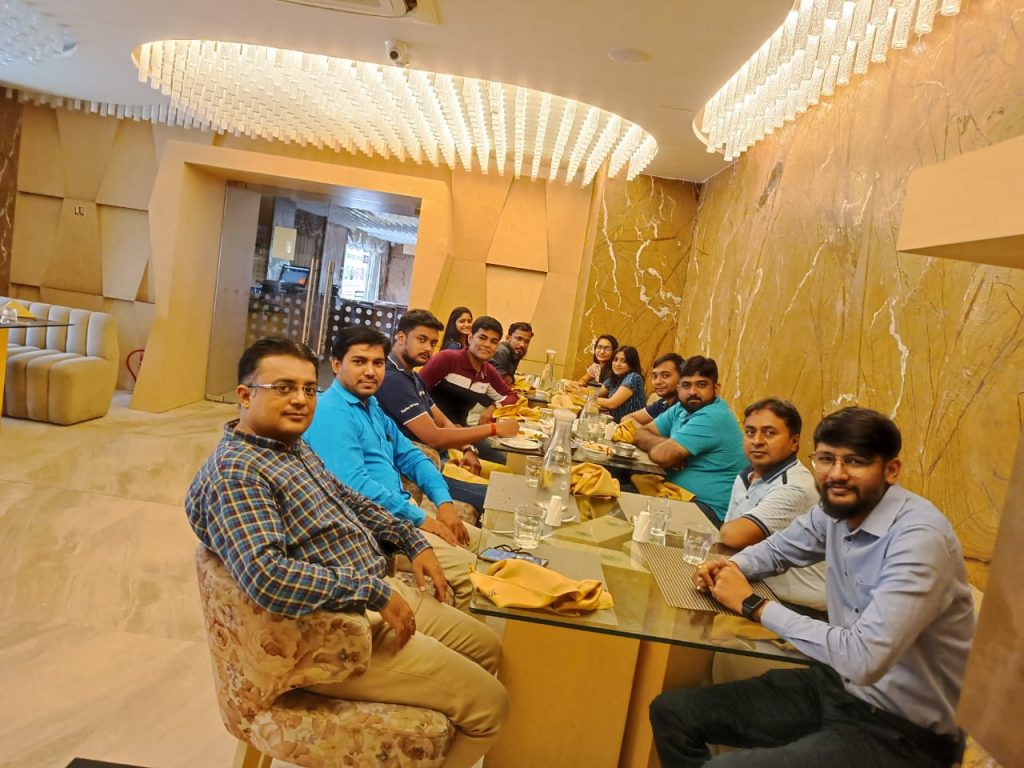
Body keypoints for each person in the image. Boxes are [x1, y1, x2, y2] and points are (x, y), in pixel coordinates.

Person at [185, 337, 507, 768]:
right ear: (245, 396)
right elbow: (268, 576)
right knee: (491, 706)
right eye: (283, 388)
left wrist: (411, 539)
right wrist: (373, 592)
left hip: (369, 592)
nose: (300, 400)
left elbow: (349, 499)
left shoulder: (290, 447)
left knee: (488, 649)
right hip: (330, 636)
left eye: (307, 388)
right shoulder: (238, 474)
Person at [650, 407, 975, 768]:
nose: (837, 474)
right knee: (672, 713)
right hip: (837, 687)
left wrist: (752, 604)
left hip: (903, 732)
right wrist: (731, 566)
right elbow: (779, 549)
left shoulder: (919, 539)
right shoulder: (835, 510)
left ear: (891, 470)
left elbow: (863, 659)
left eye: (856, 461)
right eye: (826, 459)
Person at [304, 325, 481, 611]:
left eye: (377, 363)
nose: (370, 371)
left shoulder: (371, 406)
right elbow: (355, 487)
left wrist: (444, 503)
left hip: (402, 515)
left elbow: (413, 457)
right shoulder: (331, 412)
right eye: (359, 362)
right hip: (376, 531)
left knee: (487, 546)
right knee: (474, 572)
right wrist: (422, 520)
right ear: (336, 365)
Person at [377, 309, 520, 512]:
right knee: (506, 498)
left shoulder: (412, 377)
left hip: (436, 456)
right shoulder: (393, 379)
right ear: (401, 337)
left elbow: (442, 420)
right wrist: (494, 429)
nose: (428, 348)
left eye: (433, 343)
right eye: (421, 339)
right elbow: (434, 437)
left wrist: (468, 449)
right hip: (415, 466)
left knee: (510, 482)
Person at [721, 397, 825, 611]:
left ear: (794, 442)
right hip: (754, 580)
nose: (757, 441)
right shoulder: (748, 474)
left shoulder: (795, 486)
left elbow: (733, 535)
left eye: (769, 433)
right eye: (750, 432)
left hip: (796, 606)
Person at [631, 355, 746, 525]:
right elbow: (639, 432)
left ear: (716, 389)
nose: (692, 392)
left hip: (708, 510)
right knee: (615, 493)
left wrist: (670, 449)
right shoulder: (682, 408)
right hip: (677, 495)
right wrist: (669, 445)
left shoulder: (714, 416)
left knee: (621, 504)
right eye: (686, 385)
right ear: (679, 389)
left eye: (701, 385)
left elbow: (661, 455)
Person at [624, 352, 684, 424]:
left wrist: (642, 429)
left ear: (682, 377)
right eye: (655, 376)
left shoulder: (683, 407)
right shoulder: (662, 403)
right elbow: (626, 419)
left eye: (665, 375)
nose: (657, 382)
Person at [595, 345, 646, 423]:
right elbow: (596, 392)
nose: (617, 364)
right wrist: (580, 392)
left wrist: (588, 398)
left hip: (630, 427)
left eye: (623, 361)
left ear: (632, 364)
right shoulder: (615, 378)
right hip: (615, 424)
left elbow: (611, 404)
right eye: (615, 360)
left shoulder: (633, 377)